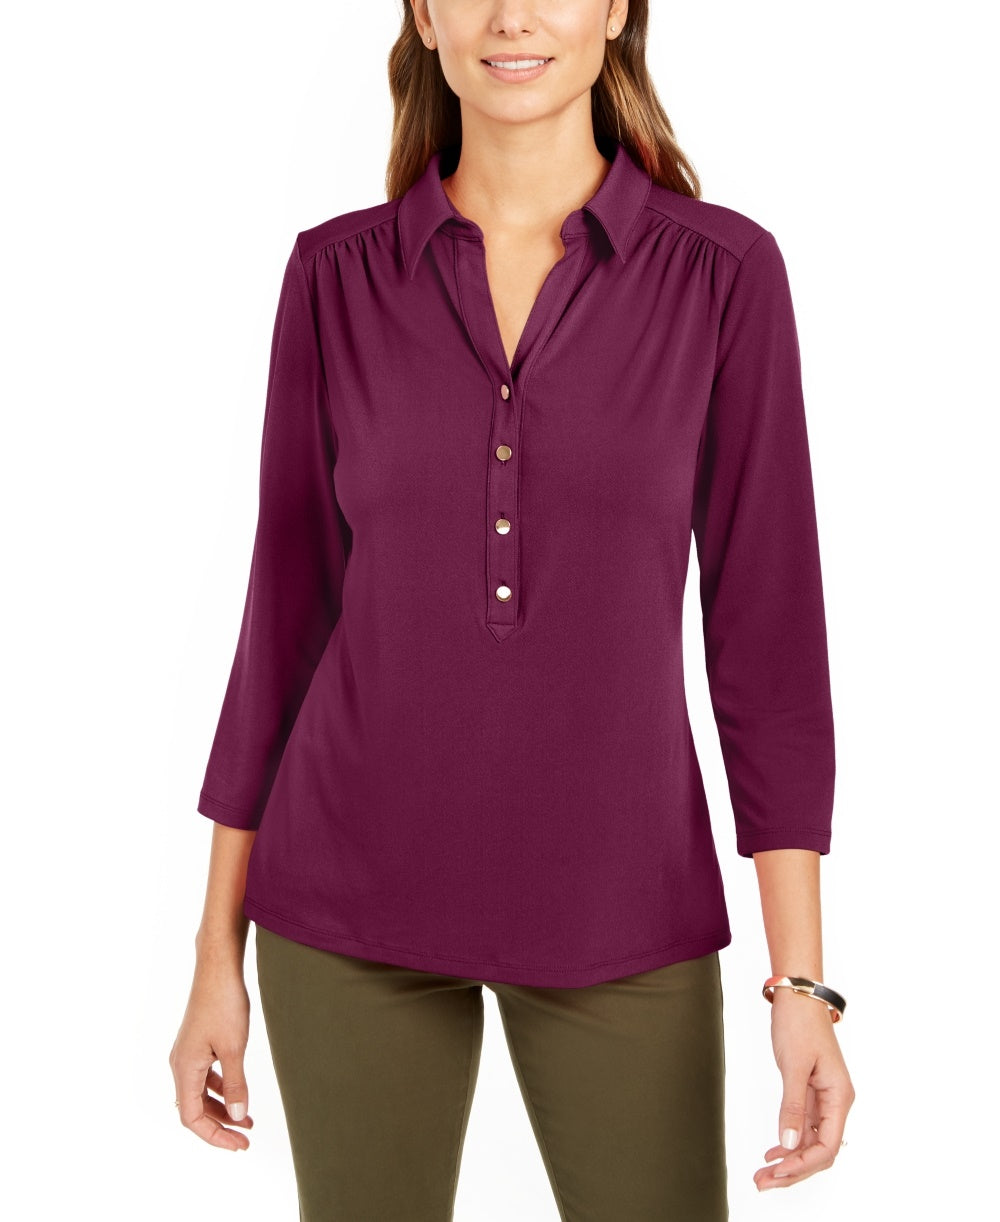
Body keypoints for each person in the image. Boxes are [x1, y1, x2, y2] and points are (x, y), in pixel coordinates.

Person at [169, 2, 855, 1218]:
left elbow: (769, 644)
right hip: (343, 907)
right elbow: (284, 619)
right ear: (423, 14)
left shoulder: (721, 274)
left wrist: (799, 984)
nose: (511, 16)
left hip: (623, 908)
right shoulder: (334, 275)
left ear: (617, 10)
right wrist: (214, 954)